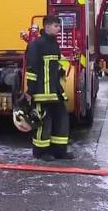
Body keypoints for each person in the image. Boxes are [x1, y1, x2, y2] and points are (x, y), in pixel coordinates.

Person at [25, 15, 74, 161]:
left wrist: (60, 70)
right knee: (43, 123)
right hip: (41, 93)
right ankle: (41, 152)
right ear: (46, 27)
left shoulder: (54, 44)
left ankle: (60, 151)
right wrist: (30, 91)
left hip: (55, 91)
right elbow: (32, 69)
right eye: (56, 26)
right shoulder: (36, 45)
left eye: (59, 26)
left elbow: (56, 63)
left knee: (61, 120)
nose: (59, 28)